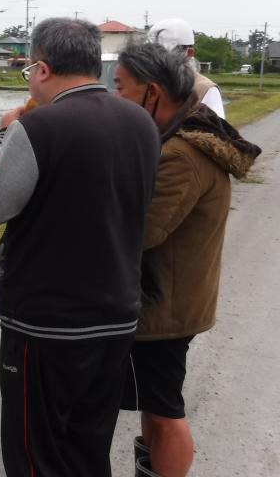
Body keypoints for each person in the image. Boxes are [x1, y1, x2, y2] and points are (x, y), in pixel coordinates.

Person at [0, 18, 161, 476]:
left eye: (29, 68)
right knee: (88, 448)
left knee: (35, 454)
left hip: (45, 324)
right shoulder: (140, 122)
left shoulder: (39, 128)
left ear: (43, 69)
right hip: (116, 316)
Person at [114, 42, 260, 477]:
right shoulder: (178, 137)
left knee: (164, 411)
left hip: (166, 307)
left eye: (121, 87)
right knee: (153, 406)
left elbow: (144, 230)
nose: (114, 96)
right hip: (168, 300)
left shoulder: (181, 154)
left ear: (152, 93)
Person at [147, 17, 225, 118]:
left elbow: (216, 130)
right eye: (152, 54)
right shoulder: (145, 83)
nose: (158, 60)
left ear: (189, 53)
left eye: (165, 55)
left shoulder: (204, 89)